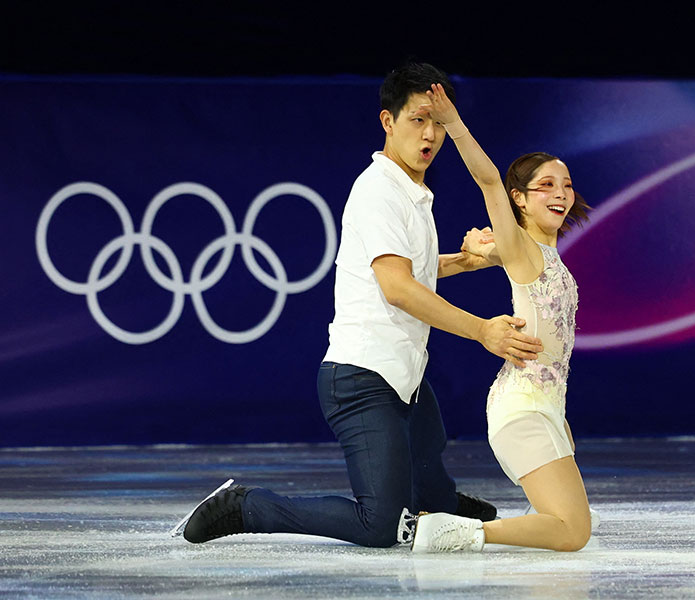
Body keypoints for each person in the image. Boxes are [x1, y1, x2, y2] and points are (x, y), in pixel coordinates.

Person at [178, 63, 544, 548]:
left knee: (433, 496)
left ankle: (438, 501)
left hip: (405, 378)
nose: (430, 134)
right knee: (381, 526)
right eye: (417, 120)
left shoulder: (413, 192)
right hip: (361, 379)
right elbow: (397, 288)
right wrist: (482, 331)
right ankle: (244, 505)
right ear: (388, 122)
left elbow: (410, 269)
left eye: (437, 122)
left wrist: (465, 262)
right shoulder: (377, 190)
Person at [405, 84, 592, 552]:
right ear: (520, 199)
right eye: (545, 185)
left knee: (568, 527)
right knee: (573, 532)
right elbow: (489, 182)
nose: (561, 193)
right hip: (521, 409)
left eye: (566, 184)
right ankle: (455, 530)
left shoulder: (545, 256)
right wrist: (453, 124)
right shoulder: (522, 247)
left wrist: (475, 254)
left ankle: (453, 528)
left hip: (543, 408)